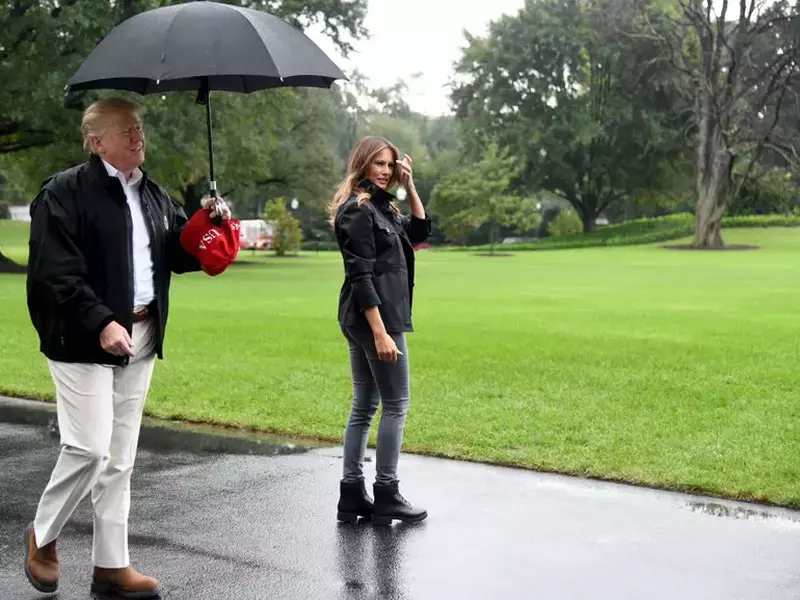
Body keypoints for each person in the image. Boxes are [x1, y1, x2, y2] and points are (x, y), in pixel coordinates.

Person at [23, 97, 231, 598]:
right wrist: (100, 322)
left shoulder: (154, 194)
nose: (137, 137)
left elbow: (176, 253)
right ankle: (42, 533)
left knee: (120, 458)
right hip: (80, 337)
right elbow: (56, 271)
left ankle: (111, 567)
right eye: (125, 131)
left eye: (138, 128)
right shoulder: (64, 192)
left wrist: (209, 223)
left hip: (140, 334)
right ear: (96, 142)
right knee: (89, 447)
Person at [329, 136, 431, 526]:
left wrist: (411, 186)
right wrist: (381, 332)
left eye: (390, 165)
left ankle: (352, 495)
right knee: (396, 404)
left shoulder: (384, 208)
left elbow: (420, 234)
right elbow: (361, 273)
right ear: (363, 166)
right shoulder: (358, 211)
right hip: (373, 318)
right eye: (380, 165)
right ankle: (386, 493)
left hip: (372, 318)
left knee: (365, 406)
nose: (386, 171)